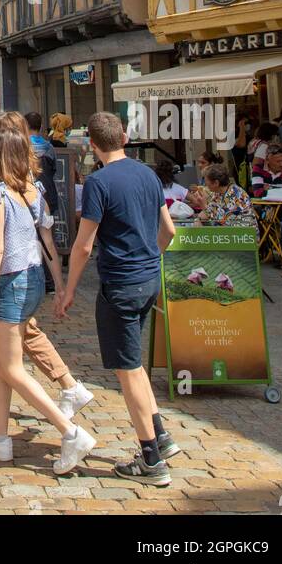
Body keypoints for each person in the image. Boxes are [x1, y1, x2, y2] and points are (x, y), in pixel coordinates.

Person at [0, 127, 95, 472]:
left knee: (10, 367)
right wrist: (60, 286)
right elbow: (48, 245)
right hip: (33, 278)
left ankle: (70, 432)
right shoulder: (34, 192)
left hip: (10, 282)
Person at [56, 111, 178, 487]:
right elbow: (169, 231)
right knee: (134, 365)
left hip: (120, 286)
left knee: (127, 371)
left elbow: (84, 245)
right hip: (147, 280)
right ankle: (160, 435)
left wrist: (69, 288)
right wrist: (148, 257)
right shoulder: (148, 174)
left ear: (92, 145)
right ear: (123, 137)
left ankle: (151, 459)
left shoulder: (98, 183)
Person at [197, 163, 259, 233]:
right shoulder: (218, 193)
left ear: (216, 183)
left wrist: (203, 206)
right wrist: (198, 219)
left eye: (206, 181)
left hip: (244, 237)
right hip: (230, 234)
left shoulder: (235, 195)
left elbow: (222, 222)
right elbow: (211, 211)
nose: (205, 184)